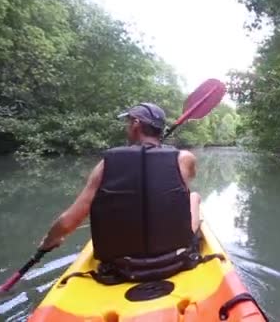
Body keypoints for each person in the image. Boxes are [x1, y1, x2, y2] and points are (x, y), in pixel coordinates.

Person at [37, 103, 203, 280]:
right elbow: (186, 180)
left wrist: (49, 241)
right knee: (193, 196)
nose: (127, 128)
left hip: (120, 268)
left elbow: (68, 222)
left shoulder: (107, 165)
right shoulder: (184, 159)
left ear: (136, 124)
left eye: (128, 123)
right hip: (174, 260)